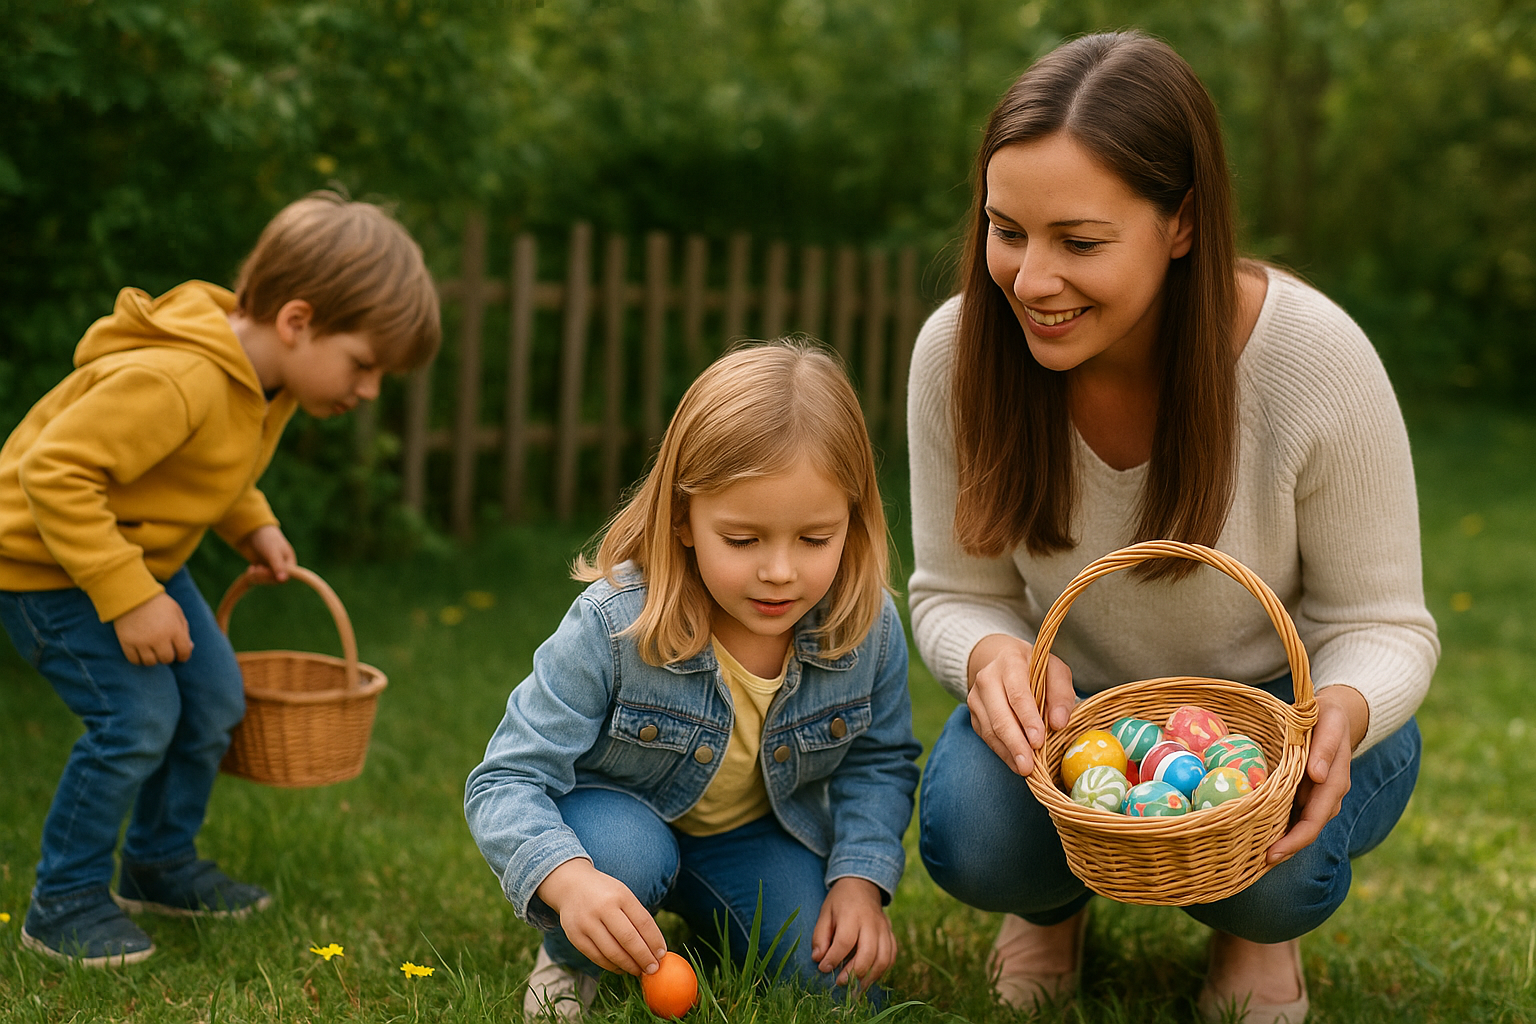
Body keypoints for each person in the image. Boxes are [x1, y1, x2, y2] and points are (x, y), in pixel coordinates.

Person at [907, 31, 1437, 1024]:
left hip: (1287, 704)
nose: (1028, 280)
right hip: (1079, 711)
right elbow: (953, 588)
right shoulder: (959, 353)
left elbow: (1388, 623)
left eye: (1079, 240)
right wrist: (990, 655)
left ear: (1182, 224)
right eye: (1006, 228)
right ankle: (1050, 904)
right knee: (973, 835)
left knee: (1278, 873)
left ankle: (1256, 927)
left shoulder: (1312, 358)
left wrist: (1343, 713)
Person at [0, 191, 441, 967]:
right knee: (135, 719)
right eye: (364, 364)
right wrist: (131, 597)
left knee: (213, 700)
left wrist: (254, 523)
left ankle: (158, 864)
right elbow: (54, 471)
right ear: (298, 321)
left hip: (136, 560)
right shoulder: (181, 379)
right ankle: (62, 902)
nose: (368, 389)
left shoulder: (260, 381)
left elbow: (213, 465)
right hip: (45, 566)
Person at [465, 341, 921, 1022]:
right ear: (682, 517)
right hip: (615, 823)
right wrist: (571, 882)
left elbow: (879, 761)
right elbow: (504, 781)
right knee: (623, 858)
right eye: (742, 540)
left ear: (854, 519)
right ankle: (571, 954)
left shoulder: (867, 625)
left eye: (815, 539)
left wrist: (858, 882)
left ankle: (712, 917)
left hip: (750, 836)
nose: (779, 572)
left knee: (831, 981)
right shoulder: (613, 622)